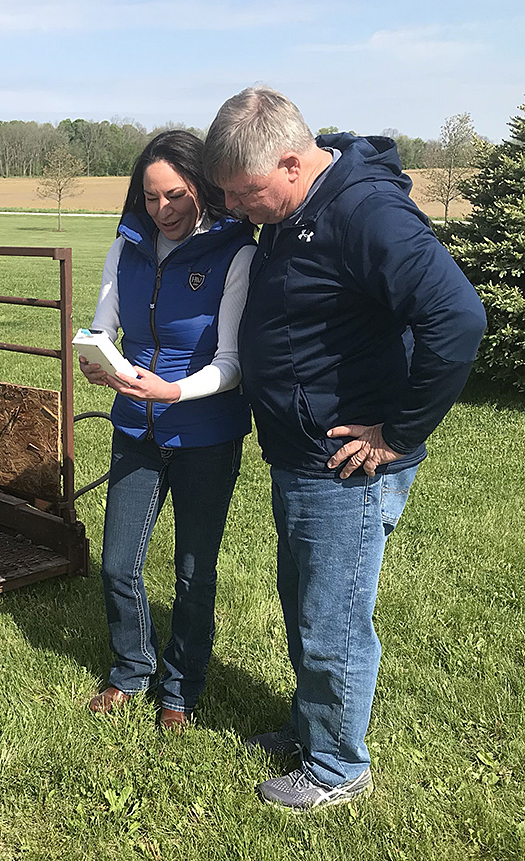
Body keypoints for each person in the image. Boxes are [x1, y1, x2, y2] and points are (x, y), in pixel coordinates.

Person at [202, 86, 486, 809]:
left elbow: (457, 317)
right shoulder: (303, 207)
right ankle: (314, 727)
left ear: (292, 164)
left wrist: (399, 432)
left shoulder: (365, 213)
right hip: (301, 453)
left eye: (245, 193)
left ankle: (337, 768)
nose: (236, 208)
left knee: (333, 617)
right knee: (303, 600)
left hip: (346, 464)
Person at [79, 130, 256, 730]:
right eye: (151, 199)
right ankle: (131, 668)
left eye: (176, 195)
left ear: (201, 188)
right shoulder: (124, 247)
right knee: (116, 564)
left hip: (206, 431)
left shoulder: (236, 253)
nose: (164, 210)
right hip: (135, 426)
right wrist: (98, 358)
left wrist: (174, 390)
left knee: (191, 571)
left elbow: (232, 364)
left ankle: (180, 688)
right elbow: (104, 326)